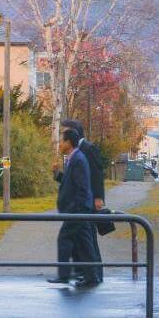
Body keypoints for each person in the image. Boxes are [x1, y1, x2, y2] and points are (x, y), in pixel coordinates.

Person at [48, 129, 99, 288]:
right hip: (78, 210)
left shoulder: (77, 159)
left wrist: (75, 209)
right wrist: (57, 174)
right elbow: (70, 182)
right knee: (84, 244)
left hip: (78, 211)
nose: (60, 144)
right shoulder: (74, 158)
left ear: (69, 142)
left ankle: (64, 276)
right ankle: (92, 277)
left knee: (64, 239)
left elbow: (83, 188)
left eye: (62, 141)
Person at [59, 119, 105, 282]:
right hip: (80, 203)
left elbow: (97, 173)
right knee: (82, 240)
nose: (62, 136)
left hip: (86, 202)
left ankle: (93, 274)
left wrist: (98, 197)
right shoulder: (75, 151)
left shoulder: (87, 148)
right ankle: (85, 273)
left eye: (64, 132)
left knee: (88, 239)